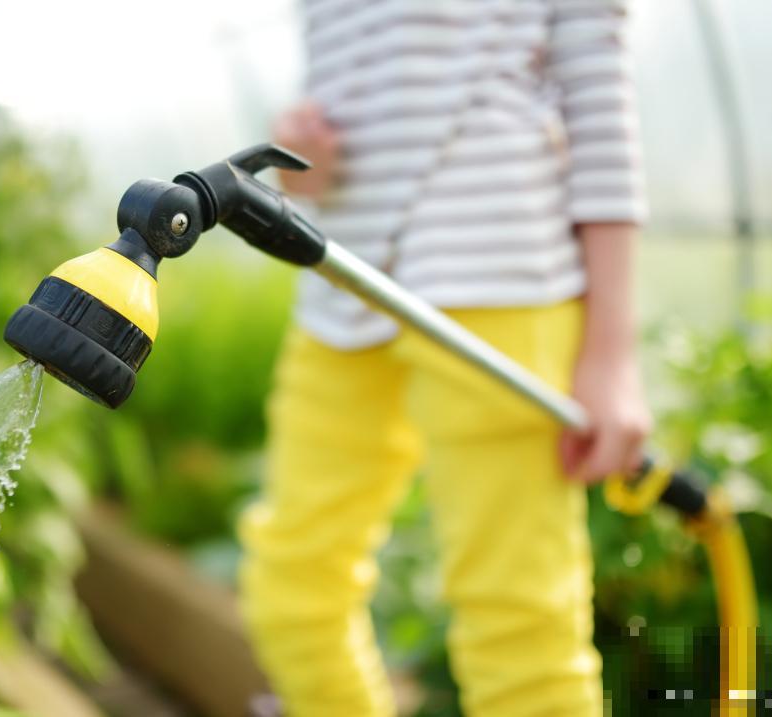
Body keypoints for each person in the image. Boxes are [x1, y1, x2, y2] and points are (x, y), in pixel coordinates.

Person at [238, 1, 649, 715]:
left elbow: (597, 95)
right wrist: (304, 156)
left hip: (499, 279)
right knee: (291, 595)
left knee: (519, 633)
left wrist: (611, 351)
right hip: (343, 281)